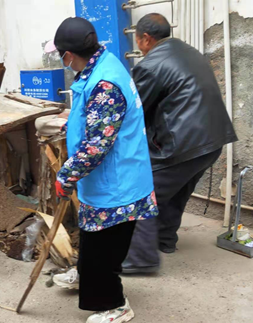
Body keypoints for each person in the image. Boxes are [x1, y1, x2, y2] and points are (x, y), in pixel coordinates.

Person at [47, 17, 158, 323]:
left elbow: (97, 144)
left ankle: (115, 304)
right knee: (94, 240)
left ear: (68, 56)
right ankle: (86, 275)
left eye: (60, 55)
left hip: (117, 181)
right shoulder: (102, 63)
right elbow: (98, 117)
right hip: (109, 177)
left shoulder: (105, 83)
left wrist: (66, 175)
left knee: (103, 252)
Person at [121, 13, 237, 273]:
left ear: (146, 39)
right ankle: (165, 240)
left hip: (183, 144)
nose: (139, 47)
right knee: (175, 192)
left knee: (142, 192)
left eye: (138, 41)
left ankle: (140, 258)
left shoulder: (150, 65)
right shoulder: (190, 52)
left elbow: (135, 110)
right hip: (212, 141)